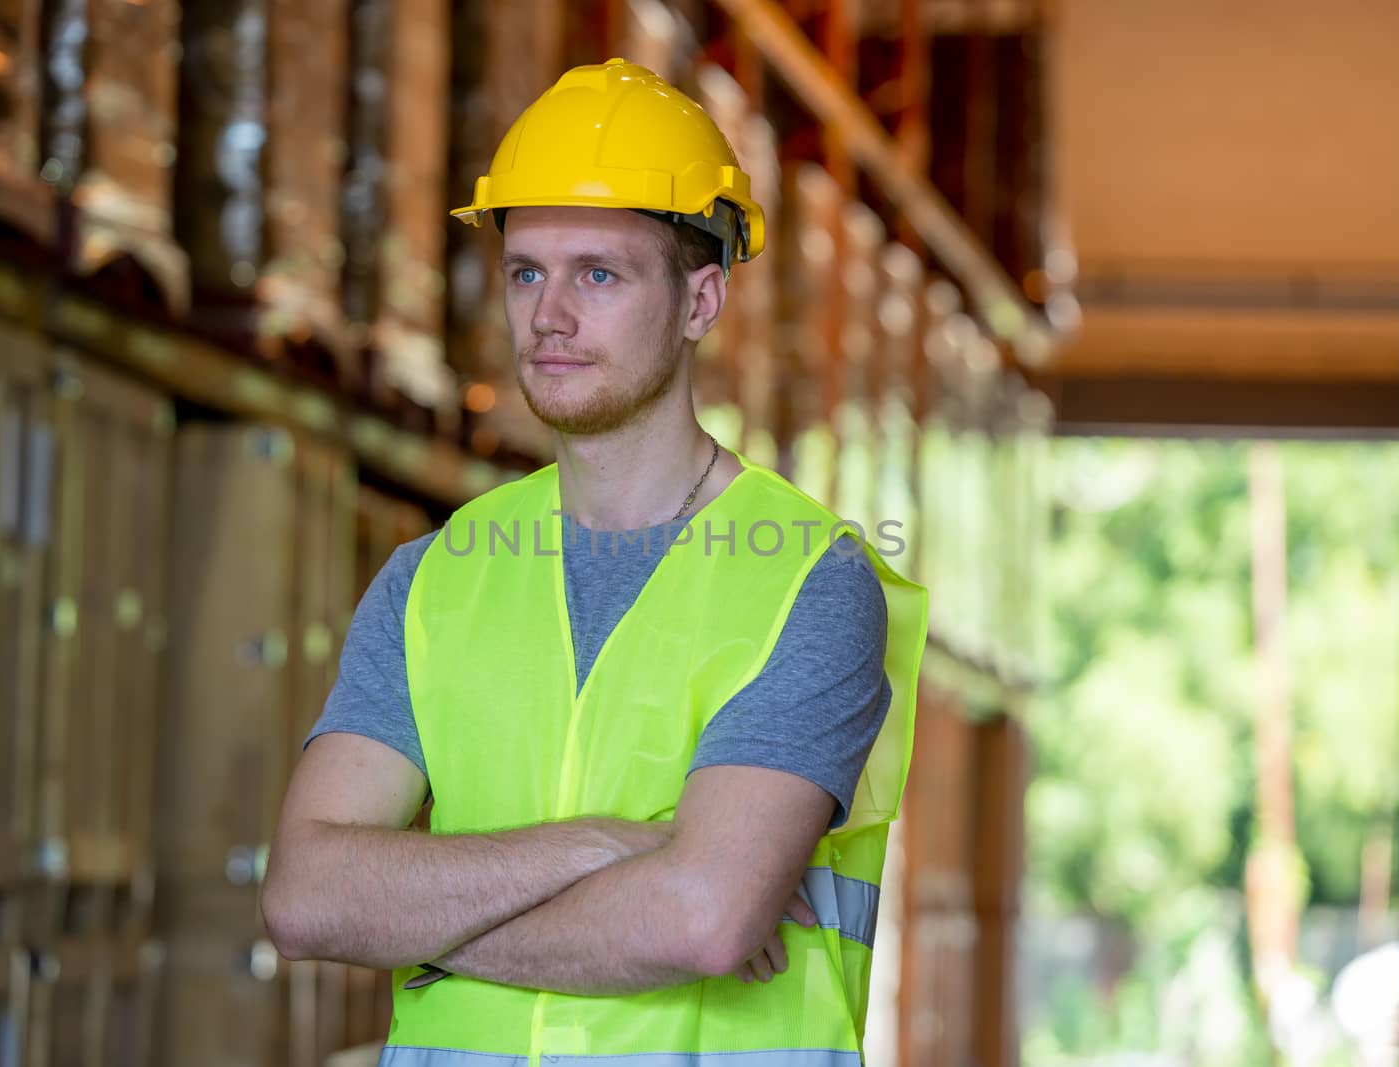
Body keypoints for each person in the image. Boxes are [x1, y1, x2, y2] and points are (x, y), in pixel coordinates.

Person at [261, 58, 927, 1066]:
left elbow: (700, 918)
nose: (550, 316)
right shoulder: (434, 578)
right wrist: (600, 845)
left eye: (598, 274)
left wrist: (424, 935)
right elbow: (307, 896)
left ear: (701, 301)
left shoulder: (808, 582)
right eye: (527, 270)